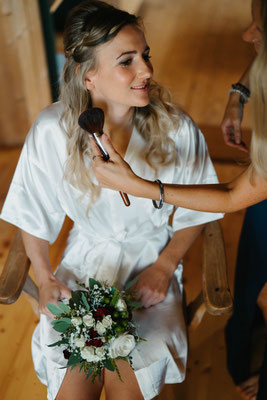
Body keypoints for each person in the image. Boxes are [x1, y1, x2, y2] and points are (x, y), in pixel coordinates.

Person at [0, 1, 223, 399]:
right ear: (89, 77)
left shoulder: (177, 129)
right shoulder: (53, 130)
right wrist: (45, 277)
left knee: (128, 380)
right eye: (127, 61)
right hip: (82, 269)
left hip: (150, 269)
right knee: (74, 384)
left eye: (145, 55)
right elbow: (31, 212)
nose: (147, 71)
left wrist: (165, 266)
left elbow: (198, 208)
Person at [90, 0, 267, 399]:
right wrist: (241, 92)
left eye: (258, 25)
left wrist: (143, 188)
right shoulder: (55, 131)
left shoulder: (178, 129)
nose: (246, 34)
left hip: (242, 196)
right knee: (255, 280)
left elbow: (231, 194)